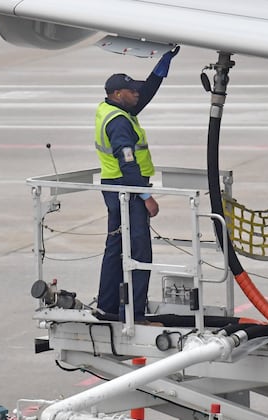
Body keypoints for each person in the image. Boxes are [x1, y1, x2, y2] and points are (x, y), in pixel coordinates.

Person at [95, 46, 180, 322]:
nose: (137, 95)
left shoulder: (112, 109)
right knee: (139, 251)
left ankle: (108, 307)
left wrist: (160, 70)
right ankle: (134, 312)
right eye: (132, 91)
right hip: (128, 190)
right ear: (119, 94)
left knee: (116, 247)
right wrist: (146, 196)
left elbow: (146, 94)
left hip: (115, 188)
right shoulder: (119, 123)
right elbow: (128, 163)